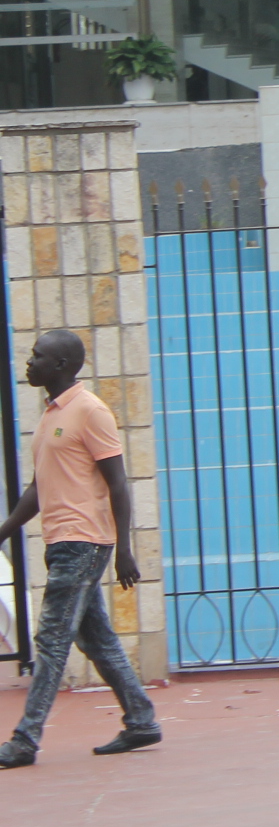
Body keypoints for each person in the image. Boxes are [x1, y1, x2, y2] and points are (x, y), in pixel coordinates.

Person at [0, 329, 161, 769]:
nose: (29, 363)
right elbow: (39, 488)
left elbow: (118, 483)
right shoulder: (53, 414)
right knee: (97, 640)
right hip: (62, 541)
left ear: (63, 366)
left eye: (38, 356)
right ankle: (142, 720)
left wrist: (124, 549)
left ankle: (24, 740)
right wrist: (4, 531)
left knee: (51, 640)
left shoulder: (90, 411)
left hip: (83, 542)